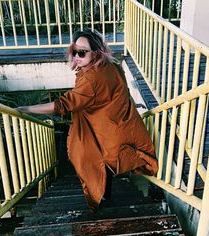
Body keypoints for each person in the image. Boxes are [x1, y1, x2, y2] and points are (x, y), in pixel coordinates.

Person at [17, 29, 158, 211]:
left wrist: (24, 109)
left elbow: (64, 104)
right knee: (102, 162)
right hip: (115, 122)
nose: (77, 56)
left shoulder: (91, 79)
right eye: (74, 51)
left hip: (105, 129)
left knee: (92, 162)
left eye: (82, 52)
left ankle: (100, 200)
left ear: (97, 53)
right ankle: (103, 198)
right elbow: (120, 93)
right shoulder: (112, 66)